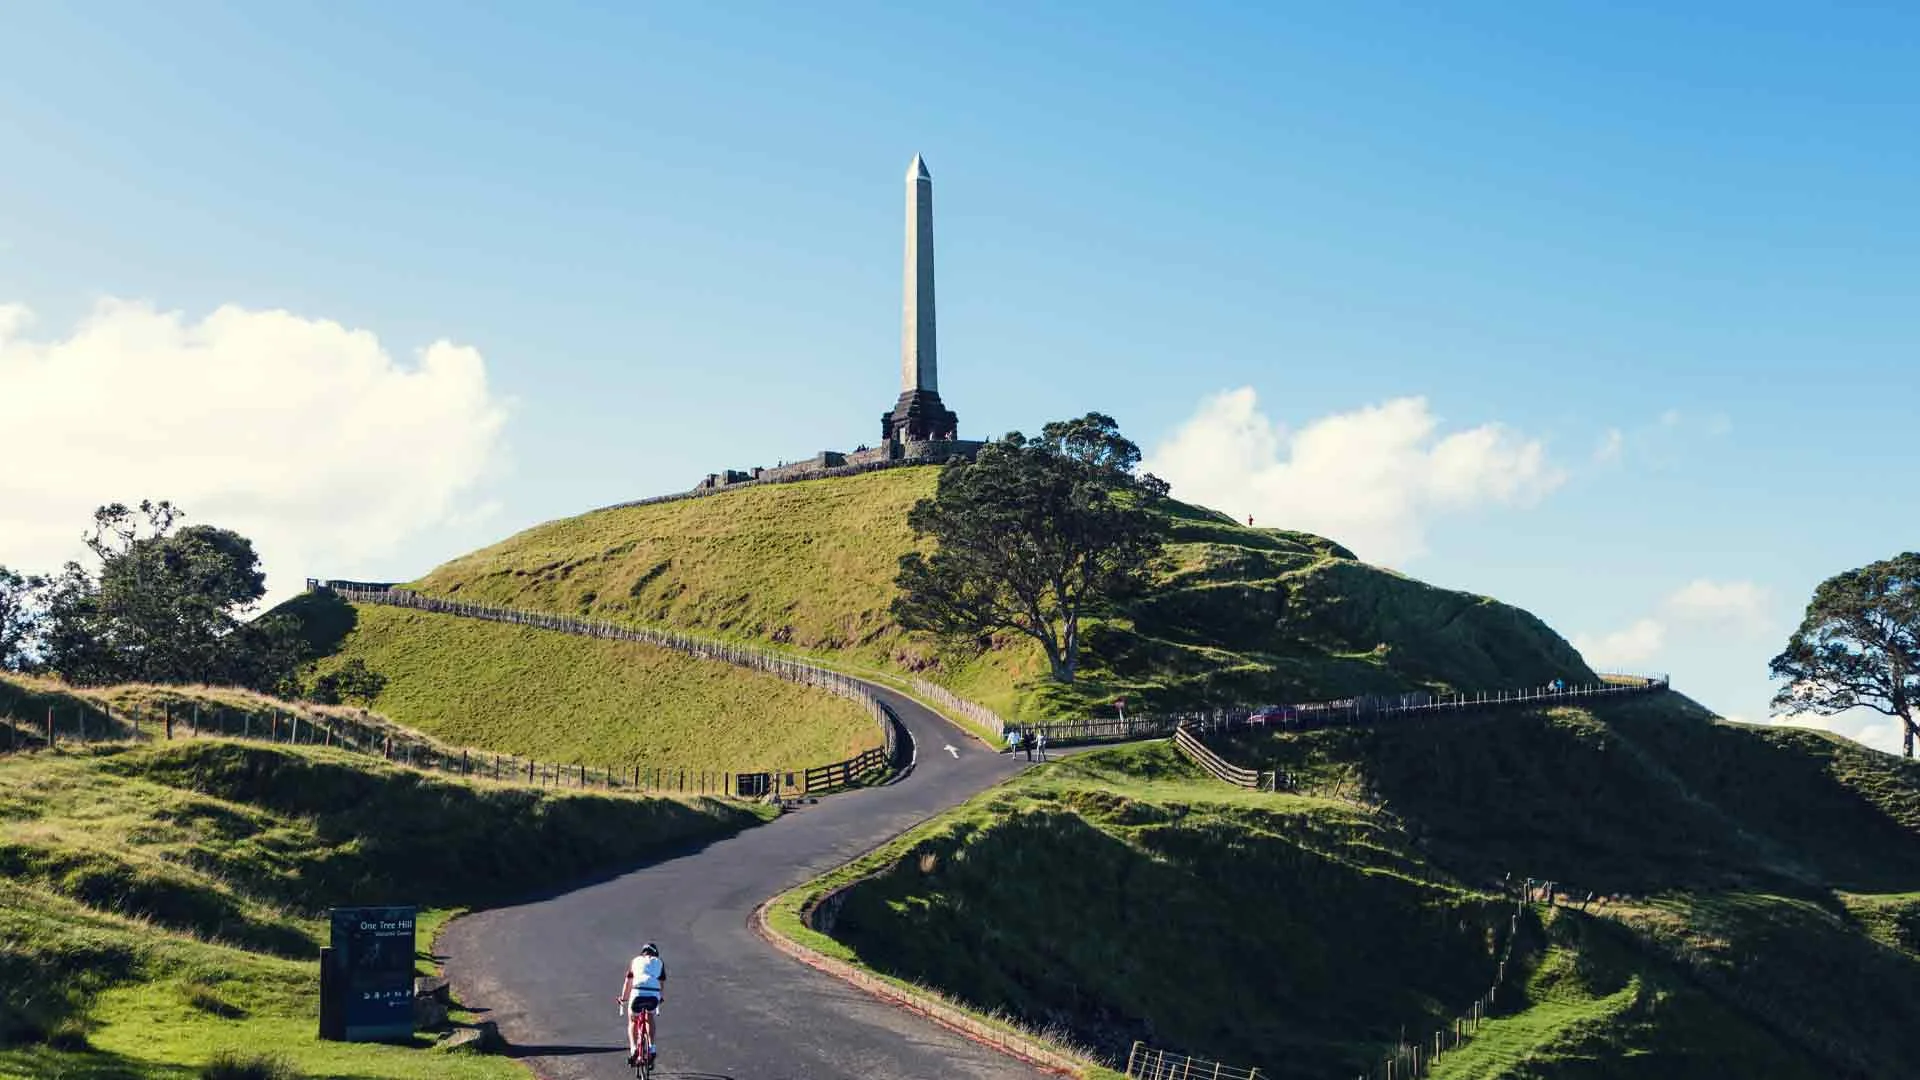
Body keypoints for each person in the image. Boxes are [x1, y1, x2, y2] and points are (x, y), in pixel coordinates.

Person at [617, 942, 667, 1067]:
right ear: (655, 953)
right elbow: (661, 983)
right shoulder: (659, 962)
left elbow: (628, 982)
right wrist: (660, 997)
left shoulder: (635, 961)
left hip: (638, 992)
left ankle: (634, 1049)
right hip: (653, 993)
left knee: (633, 1020)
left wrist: (623, 999)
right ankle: (652, 1047)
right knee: (650, 1016)